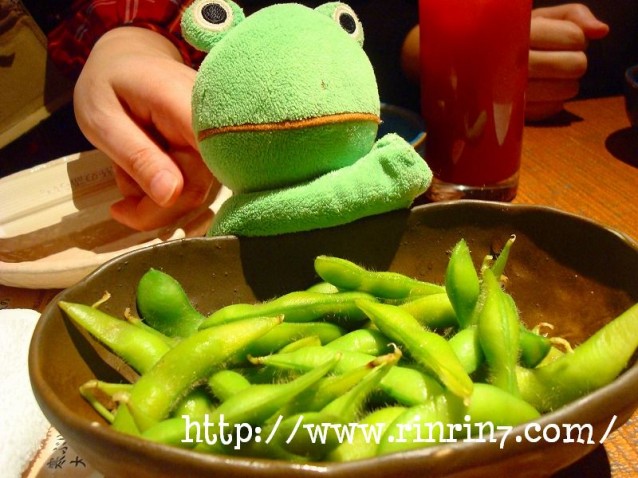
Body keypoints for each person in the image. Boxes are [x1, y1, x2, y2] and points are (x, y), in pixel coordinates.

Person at [42, 1, 612, 232]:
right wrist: (125, 40)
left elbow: (390, 26)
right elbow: (115, 11)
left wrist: (423, 49)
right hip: (176, 149)